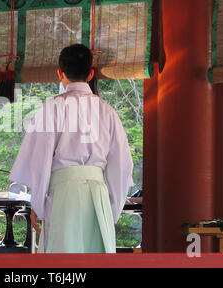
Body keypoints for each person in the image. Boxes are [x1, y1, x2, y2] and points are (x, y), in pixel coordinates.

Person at [9, 44, 134, 253]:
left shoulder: (52, 108)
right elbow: (122, 165)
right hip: (98, 194)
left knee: (64, 261)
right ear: (91, 73)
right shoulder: (107, 111)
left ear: (60, 73)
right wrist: (110, 208)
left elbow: (40, 161)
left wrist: (38, 204)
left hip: (63, 196)